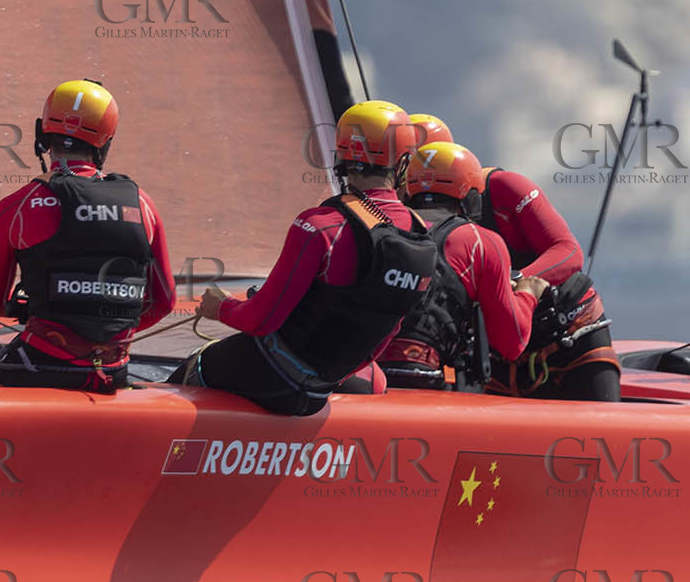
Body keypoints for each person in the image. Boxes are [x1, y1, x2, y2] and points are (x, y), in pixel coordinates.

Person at [172, 100, 436, 416]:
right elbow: (386, 334)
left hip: (275, 376)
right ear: (403, 162)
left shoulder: (320, 225)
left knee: (195, 365)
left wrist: (220, 308)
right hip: (321, 390)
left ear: (341, 155)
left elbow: (260, 320)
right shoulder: (421, 235)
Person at [0, 79, 175, 392]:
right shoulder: (142, 204)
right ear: (106, 142)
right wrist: (106, 338)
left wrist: (27, 311)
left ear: (41, 135)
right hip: (112, 373)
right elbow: (164, 303)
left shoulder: (16, 207)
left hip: (37, 367)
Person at [413, 116, 621, 401]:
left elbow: (568, 252)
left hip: (568, 337)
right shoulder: (404, 207)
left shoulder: (503, 187)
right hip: (499, 349)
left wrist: (515, 282)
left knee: (600, 426)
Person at [379, 141, 547, 390]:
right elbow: (512, 342)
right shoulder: (482, 242)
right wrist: (528, 293)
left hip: (365, 375)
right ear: (470, 196)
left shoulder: (378, 225)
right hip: (425, 380)